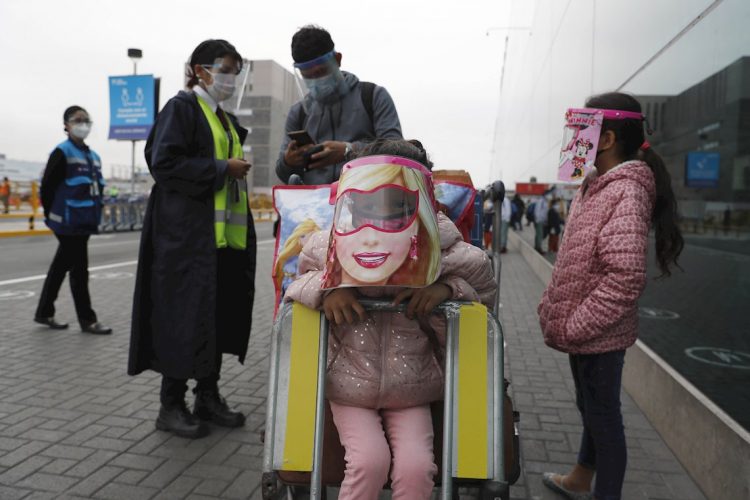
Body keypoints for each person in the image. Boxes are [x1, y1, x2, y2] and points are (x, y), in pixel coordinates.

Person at [285, 140, 496, 499]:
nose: (379, 213)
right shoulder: (327, 243)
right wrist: (328, 290)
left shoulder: (445, 247)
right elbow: (297, 281)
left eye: (396, 204)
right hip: (349, 383)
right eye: (365, 201)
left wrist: (447, 290)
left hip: (413, 384)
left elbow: (484, 287)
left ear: (423, 198)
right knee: (369, 462)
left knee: (417, 469)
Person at [538, 92, 684, 500]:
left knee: (604, 419)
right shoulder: (595, 185)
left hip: (598, 333)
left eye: (582, 129)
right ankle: (581, 478)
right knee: (591, 409)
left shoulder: (627, 191)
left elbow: (625, 277)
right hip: (583, 329)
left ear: (605, 139)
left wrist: (576, 323)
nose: (574, 138)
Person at [129, 39, 256, 439]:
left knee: (214, 318)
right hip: (186, 240)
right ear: (200, 70)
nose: (231, 77)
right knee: (181, 319)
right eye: (225, 68)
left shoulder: (221, 117)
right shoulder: (182, 108)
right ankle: (171, 404)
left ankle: (208, 396)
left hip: (220, 242)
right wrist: (222, 167)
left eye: (236, 69)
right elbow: (163, 163)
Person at [275, 25, 403, 185]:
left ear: (338, 59)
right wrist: (289, 161)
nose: (316, 81)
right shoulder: (299, 112)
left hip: (367, 201)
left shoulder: (373, 96)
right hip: (313, 205)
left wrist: (349, 150)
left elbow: (398, 151)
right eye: (308, 76)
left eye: (321, 72)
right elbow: (282, 172)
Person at [34, 106, 112, 335]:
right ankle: (87, 320)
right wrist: (51, 217)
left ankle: (44, 311)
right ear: (66, 125)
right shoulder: (62, 152)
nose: (83, 124)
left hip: (85, 221)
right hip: (67, 222)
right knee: (79, 269)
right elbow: (47, 187)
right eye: (78, 120)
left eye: (86, 120)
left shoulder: (93, 156)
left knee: (61, 267)